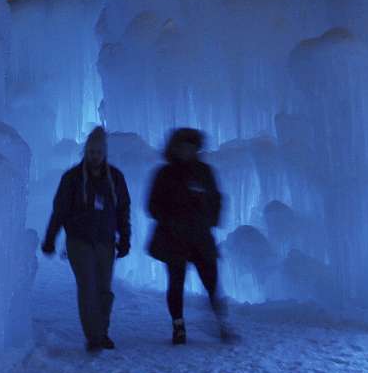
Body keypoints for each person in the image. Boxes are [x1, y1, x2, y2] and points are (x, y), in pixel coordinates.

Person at [41, 126, 131, 352]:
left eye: (98, 152)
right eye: (91, 152)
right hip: (79, 241)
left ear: (104, 152)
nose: (95, 156)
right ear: (86, 152)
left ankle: (102, 331)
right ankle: (94, 336)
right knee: (87, 287)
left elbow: (123, 210)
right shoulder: (72, 178)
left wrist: (125, 238)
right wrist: (50, 238)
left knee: (104, 289)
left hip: (105, 240)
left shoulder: (115, 178)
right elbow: (59, 210)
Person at [146, 127, 236, 344]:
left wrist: (209, 220)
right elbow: (152, 205)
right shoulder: (164, 174)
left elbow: (216, 199)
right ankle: (178, 326)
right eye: (183, 146)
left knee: (212, 283)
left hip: (200, 236)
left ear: (196, 149)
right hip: (174, 237)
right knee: (176, 283)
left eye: (191, 147)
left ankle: (222, 323)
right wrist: (170, 220)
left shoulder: (205, 172)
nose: (187, 150)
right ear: (175, 148)